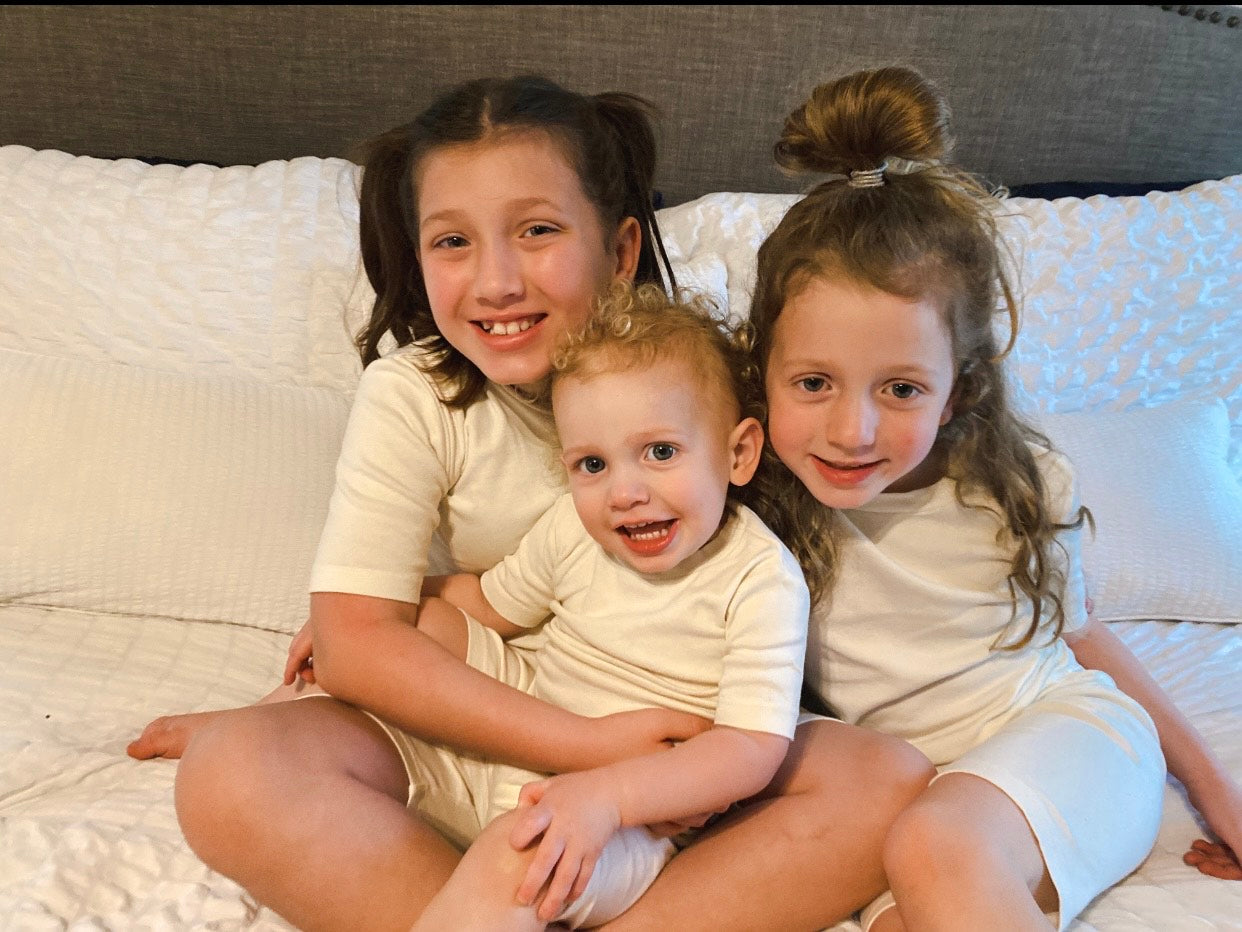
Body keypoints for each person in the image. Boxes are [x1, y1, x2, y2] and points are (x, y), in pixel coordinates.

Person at [128, 74, 933, 931]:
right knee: (231, 772)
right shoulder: (415, 396)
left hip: (662, 761)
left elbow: (872, 410)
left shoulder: (695, 378)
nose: (497, 281)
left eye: (538, 231)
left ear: (620, 251)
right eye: (453, 242)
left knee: (888, 779)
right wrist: (581, 744)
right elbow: (366, 645)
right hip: (481, 718)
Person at [742, 64, 1242, 931]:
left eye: (901, 389)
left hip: (1062, 741)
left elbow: (1080, 636)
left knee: (938, 845)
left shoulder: (1013, 487)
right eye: (814, 382)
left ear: (958, 391)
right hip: (913, 796)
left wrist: (1217, 791)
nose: (852, 431)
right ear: (763, 372)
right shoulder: (754, 501)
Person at [410, 281, 809, 929]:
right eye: (592, 464)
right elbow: (486, 604)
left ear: (737, 453)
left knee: (522, 858)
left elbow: (750, 749)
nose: (624, 493)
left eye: (660, 453)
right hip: (527, 736)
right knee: (418, 625)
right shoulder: (572, 529)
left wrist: (611, 798)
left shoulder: (760, 578)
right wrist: (382, 608)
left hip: (631, 819)